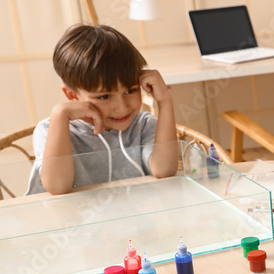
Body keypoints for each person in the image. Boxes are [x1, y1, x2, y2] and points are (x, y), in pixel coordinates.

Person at [26, 24, 177, 195]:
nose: (122, 107)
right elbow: (57, 187)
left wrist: (165, 101)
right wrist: (60, 114)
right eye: (104, 97)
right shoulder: (50, 129)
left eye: (130, 90)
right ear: (72, 95)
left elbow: (164, 170)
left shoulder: (144, 125)